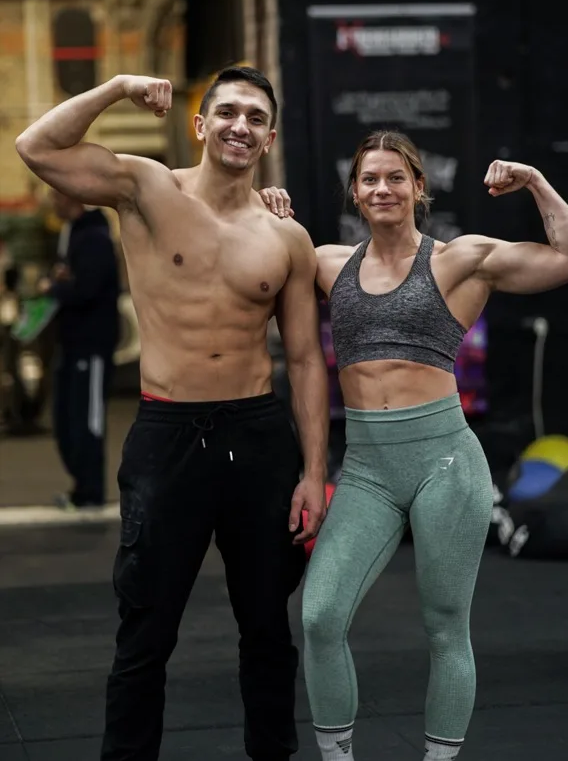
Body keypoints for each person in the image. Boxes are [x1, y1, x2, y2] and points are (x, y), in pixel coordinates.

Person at [15, 66, 329, 761]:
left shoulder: (288, 237)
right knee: (146, 632)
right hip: (167, 436)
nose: (239, 125)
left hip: (256, 436)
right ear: (200, 125)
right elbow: (36, 147)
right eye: (226, 112)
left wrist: (314, 472)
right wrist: (118, 88)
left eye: (254, 116)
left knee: (266, 629)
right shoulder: (146, 187)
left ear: (270, 137)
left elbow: (306, 360)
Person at [259, 129, 568, 761]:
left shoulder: (460, 258)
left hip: (445, 461)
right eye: (369, 180)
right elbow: (256, 259)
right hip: (365, 467)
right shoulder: (328, 261)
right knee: (319, 616)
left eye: (395, 178)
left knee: (445, 628)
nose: (381, 189)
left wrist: (536, 183)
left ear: (419, 188)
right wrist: (269, 211)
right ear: (354, 194)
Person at [37, 189, 120, 509]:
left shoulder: (95, 238)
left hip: (92, 346)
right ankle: (80, 487)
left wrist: (55, 287)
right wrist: (62, 281)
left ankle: (91, 492)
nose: (52, 204)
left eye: (55, 198)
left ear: (69, 199)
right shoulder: (72, 235)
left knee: (87, 420)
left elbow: (86, 289)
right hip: (71, 344)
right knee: (66, 420)